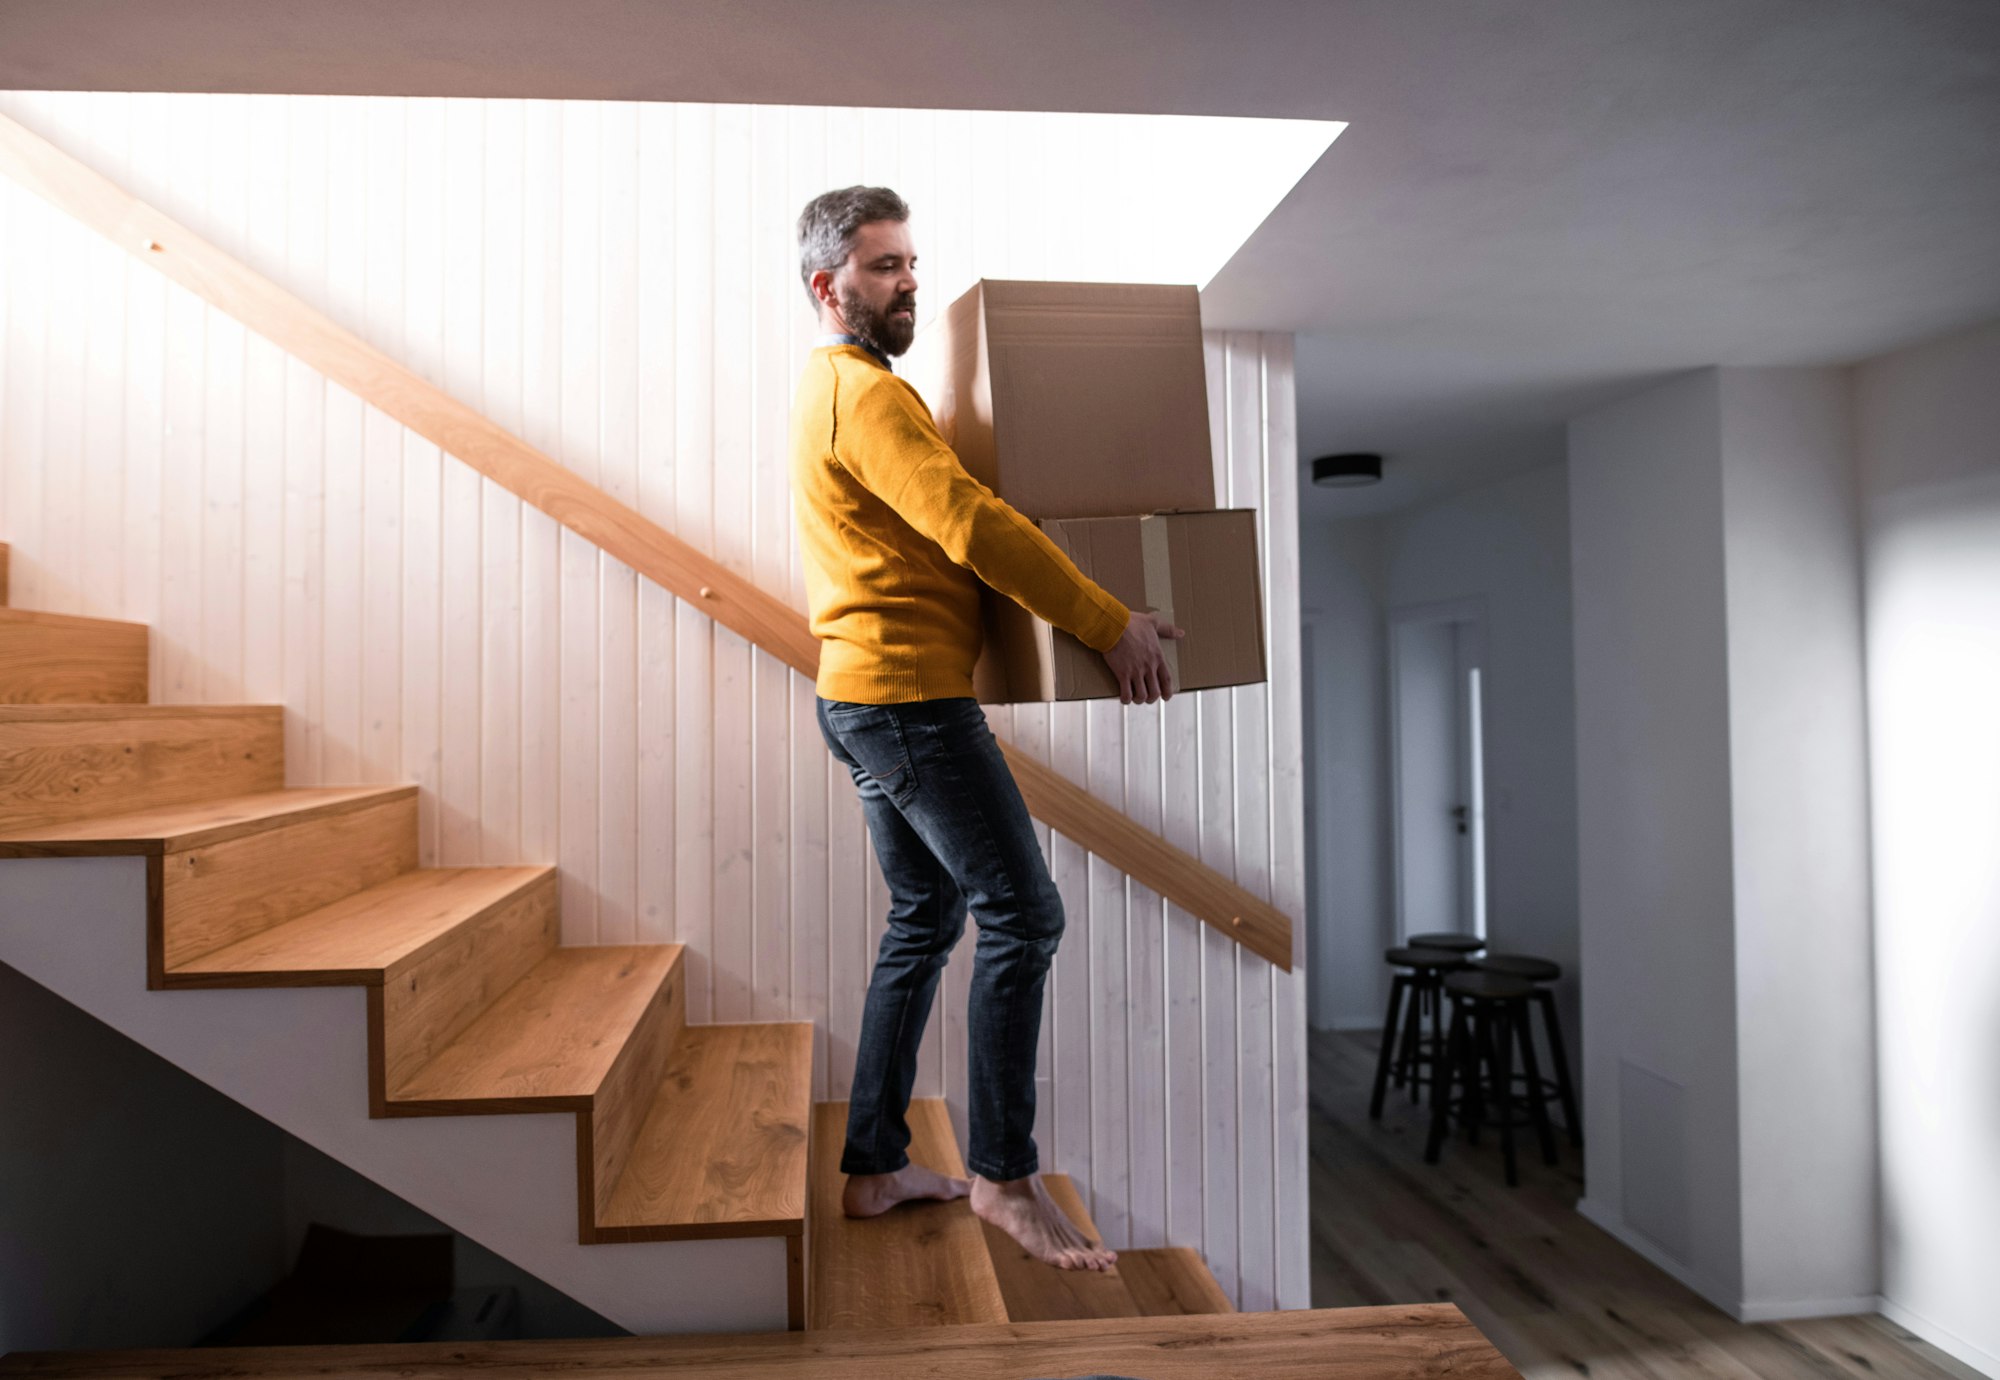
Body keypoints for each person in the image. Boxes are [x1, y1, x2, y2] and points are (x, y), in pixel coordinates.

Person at [791, 185, 1182, 1272]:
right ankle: (1003, 1178)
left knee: (926, 915)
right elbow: (969, 522)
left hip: (862, 697)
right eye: (882, 267)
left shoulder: (829, 393)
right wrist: (1110, 624)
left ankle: (873, 1165)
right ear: (828, 287)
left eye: (910, 262)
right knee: (1024, 914)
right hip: (907, 702)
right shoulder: (864, 396)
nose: (906, 280)